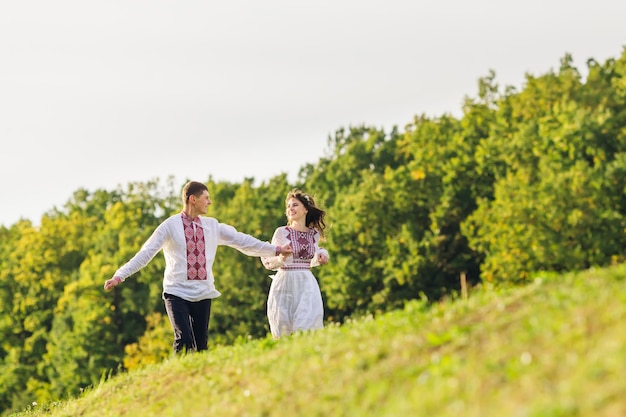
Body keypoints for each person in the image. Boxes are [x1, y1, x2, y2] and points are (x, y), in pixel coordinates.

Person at [103, 180, 293, 354]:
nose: (209, 202)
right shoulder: (169, 226)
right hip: (176, 292)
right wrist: (119, 275)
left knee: (201, 346)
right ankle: (178, 380)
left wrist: (275, 249)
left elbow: (242, 240)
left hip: (203, 292)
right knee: (184, 340)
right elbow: (146, 253)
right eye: (206, 198)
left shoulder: (212, 226)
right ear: (193, 199)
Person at [261, 189, 329, 338]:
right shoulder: (281, 232)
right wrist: (281, 259)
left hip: (306, 282)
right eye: (288, 206)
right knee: (283, 326)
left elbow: (317, 252)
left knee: (307, 324)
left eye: (295, 205)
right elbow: (268, 261)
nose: (290, 209)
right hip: (284, 282)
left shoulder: (314, 234)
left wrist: (322, 256)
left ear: (305, 209)